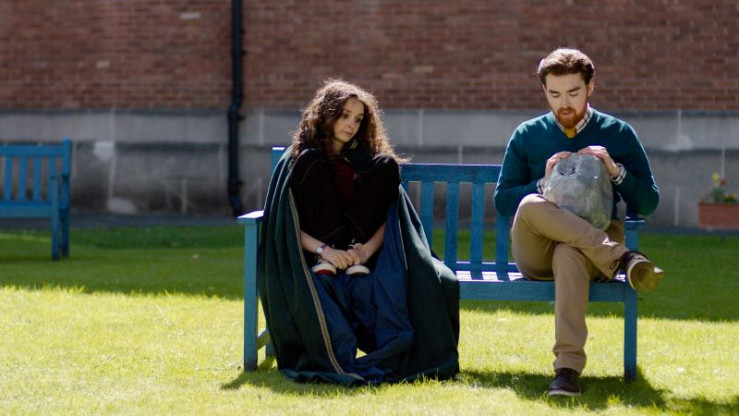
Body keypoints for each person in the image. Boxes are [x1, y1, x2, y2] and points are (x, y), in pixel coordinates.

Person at [257, 79, 459, 384]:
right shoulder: (301, 158)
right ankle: (335, 257)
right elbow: (285, 223)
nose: (351, 124)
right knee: (315, 162)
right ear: (327, 114)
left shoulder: (367, 161)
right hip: (319, 250)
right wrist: (326, 251)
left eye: (358, 118)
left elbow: (390, 216)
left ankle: (352, 254)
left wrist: (364, 251)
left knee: (386, 165)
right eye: (344, 115)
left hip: (360, 252)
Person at [493, 48, 665, 396]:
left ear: (591, 87)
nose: (564, 103)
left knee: (569, 252)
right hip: (540, 250)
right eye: (555, 94)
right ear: (544, 91)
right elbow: (503, 200)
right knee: (530, 204)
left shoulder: (618, 133)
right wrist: (543, 183)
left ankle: (567, 371)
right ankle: (624, 258)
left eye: (573, 92)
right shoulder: (527, 134)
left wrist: (615, 171)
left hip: (589, 251)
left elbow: (648, 201)